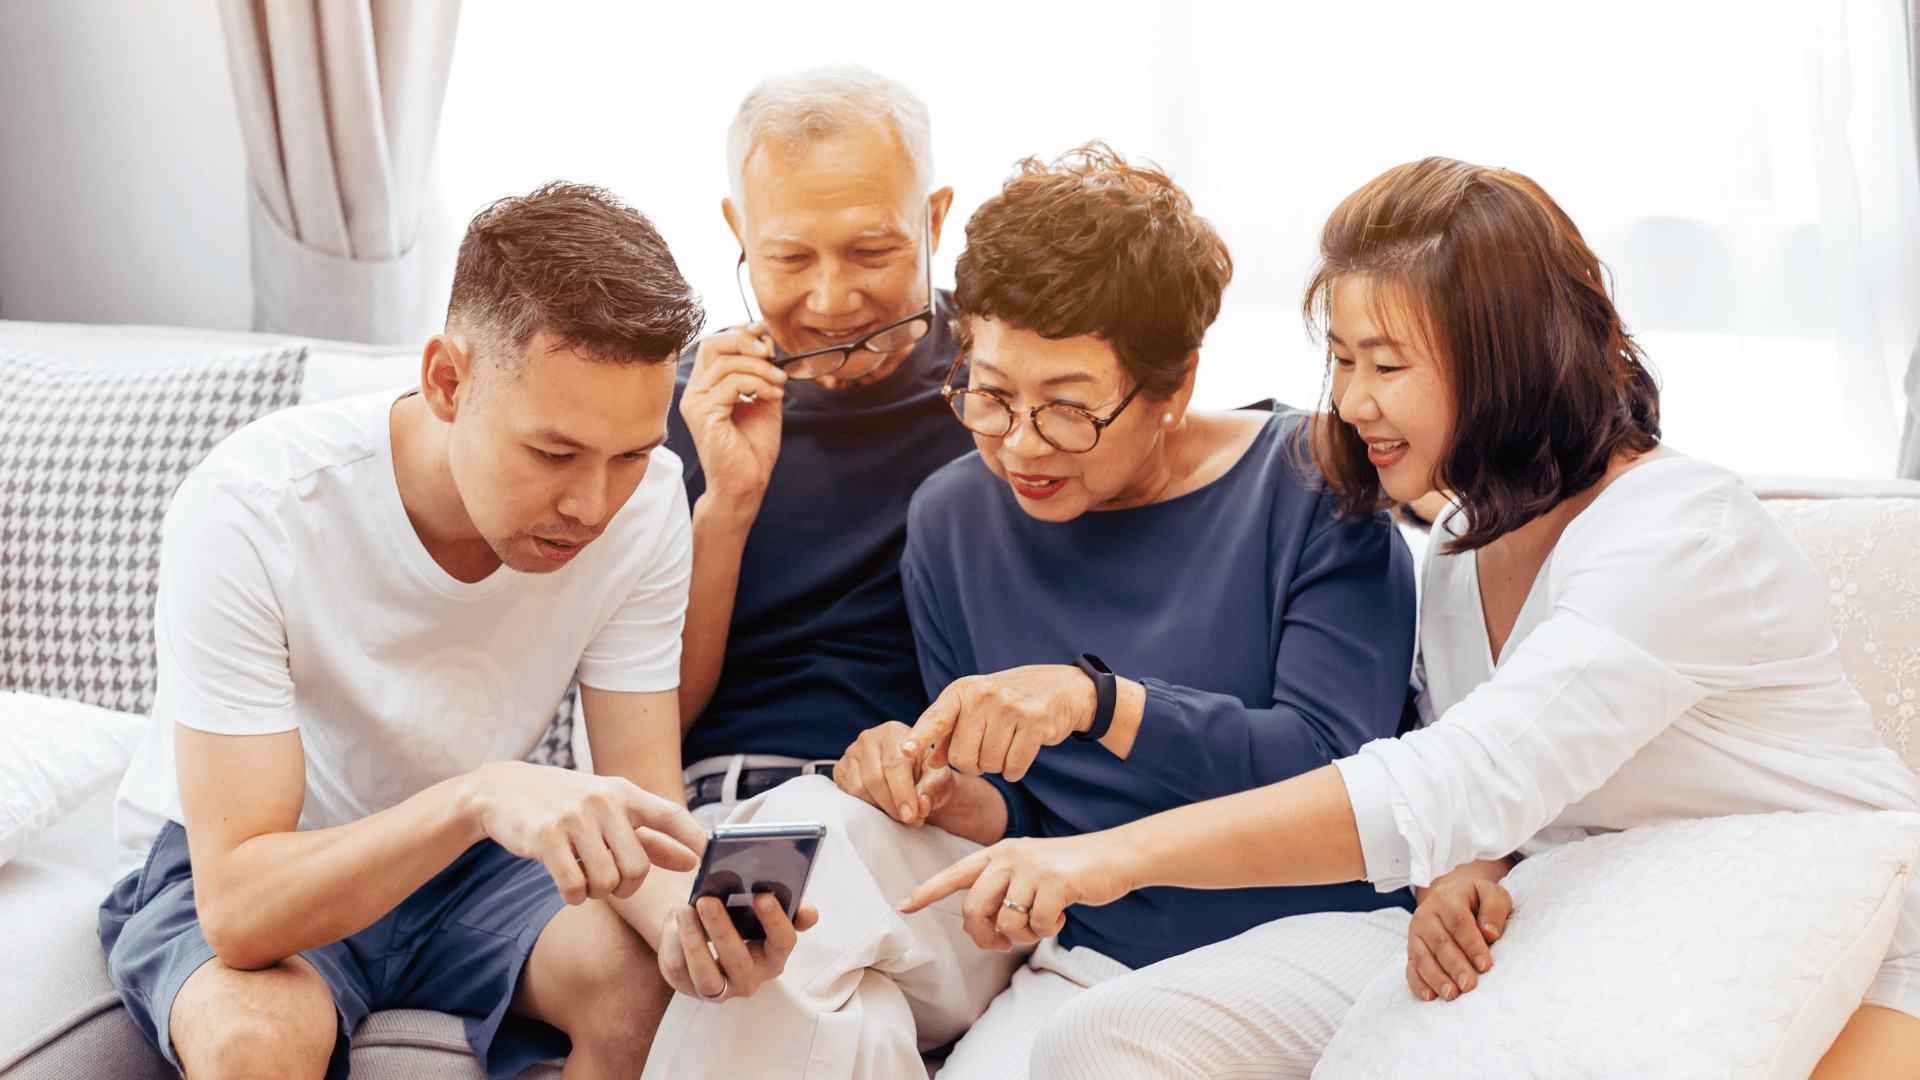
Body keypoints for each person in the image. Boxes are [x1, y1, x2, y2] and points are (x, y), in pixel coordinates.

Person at [901, 157, 1920, 1079]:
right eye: (1339, 359)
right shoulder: (1455, 543)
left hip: (1820, 922)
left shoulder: (1679, 538)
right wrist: (1471, 865)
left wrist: (1107, 855)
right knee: (1108, 1037)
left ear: (1508, 360)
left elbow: (1462, 775)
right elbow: (1512, 778)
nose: (1347, 404)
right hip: (1559, 911)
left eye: (1385, 366)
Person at [637, 144, 1417, 1080]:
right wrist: (937, 785)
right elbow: (1024, 816)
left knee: (1091, 1051)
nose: (1020, 446)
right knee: (809, 909)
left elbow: (1336, 777)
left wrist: (1100, 702)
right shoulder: (954, 516)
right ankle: (708, 950)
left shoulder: (1311, 482)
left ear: (1174, 387)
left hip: (1312, 931)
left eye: (1067, 409)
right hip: (1086, 947)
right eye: (992, 396)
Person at [99, 183, 812, 1080]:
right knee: (256, 1042)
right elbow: (241, 907)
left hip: (475, 870)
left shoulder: (650, 504)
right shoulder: (255, 507)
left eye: (629, 453)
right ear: (447, 381)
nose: (592, 505)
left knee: (646, 998)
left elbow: (648, 813)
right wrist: (480, 795)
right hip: (265, 865)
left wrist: (694, 929)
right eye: (553, 453)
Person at [666, 64, 976, 826]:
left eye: (873, 252)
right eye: (789, 259)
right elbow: (646, 720)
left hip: (908, 806)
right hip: (711, 802)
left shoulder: (1004, 390)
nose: (833, 301)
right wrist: (727, 507)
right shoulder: (675, 410)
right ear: (739, 231)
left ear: (934, 221)